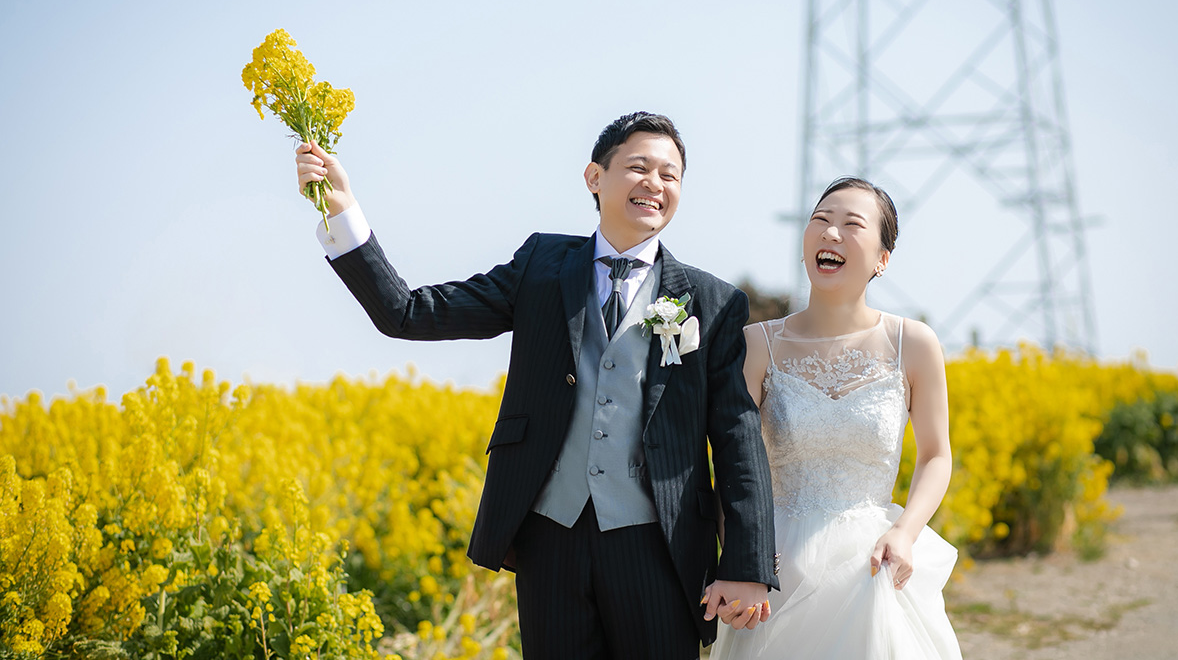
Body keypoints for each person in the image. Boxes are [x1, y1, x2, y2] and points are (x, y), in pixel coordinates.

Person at [294, 112, 779, 659]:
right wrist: (343, 213)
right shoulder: (541, 265)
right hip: (551, 535)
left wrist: (746, 565)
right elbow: (407, 313)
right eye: (638, 167)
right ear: (595, 177)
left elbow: (737, 438)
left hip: (659, 545)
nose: (655, 184)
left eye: (671, 175)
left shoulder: (713, 302)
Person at [710, 177, 962, 659]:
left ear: (882, 259)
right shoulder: (758, 344)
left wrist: (905, 532)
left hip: (873, 565)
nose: (830, 234)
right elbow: (731, 459)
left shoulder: (915, 343)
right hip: (777, 566)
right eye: (820, 220)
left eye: (852, 225)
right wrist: (739, 559)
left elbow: (936, 456)